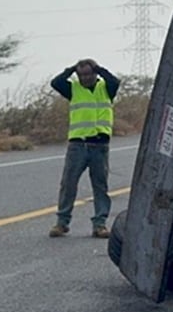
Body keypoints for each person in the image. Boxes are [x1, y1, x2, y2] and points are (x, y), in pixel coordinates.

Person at [48, 59, 121, 238]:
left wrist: (99, 69)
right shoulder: (73, 88)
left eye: (88, 74)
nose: (85, 78)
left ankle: (100, 224)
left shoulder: (106, 88)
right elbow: (56, 83)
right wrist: (71, 69)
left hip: (99, 145)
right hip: (78, 145)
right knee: (68, 184)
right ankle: (62, 223)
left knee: (100, 186)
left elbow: (115, 81)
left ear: (95, 73)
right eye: (81, 75)